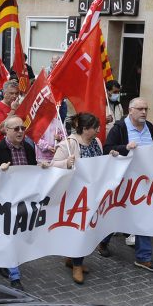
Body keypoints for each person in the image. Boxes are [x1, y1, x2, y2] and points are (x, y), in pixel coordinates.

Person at [104, 97, 153, 273]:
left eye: (146, 109)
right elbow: (107, 148)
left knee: (144, 215)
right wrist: (125, 147)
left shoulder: (149, 126)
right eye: (140, 109)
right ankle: (103, 241)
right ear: (130, 110)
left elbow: (152, 149)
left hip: (145, 182)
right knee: (118, 213)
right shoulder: (120, 127)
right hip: (124, 181)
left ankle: (144, 258)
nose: (144, 112)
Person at [52, 113, 117, 284]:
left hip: (93, 193)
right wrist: (66, 162)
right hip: (74, 195)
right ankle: (77, 265)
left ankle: (71, 258)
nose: (98, 131)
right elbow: (52, 164)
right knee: (79, 228)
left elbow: (100, 163)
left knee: (87, 228)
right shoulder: (69, 144)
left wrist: (111, 157)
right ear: (85, 129)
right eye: (95, 128)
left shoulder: (97, 142)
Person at [0, 115, 38, 291]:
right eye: (16, 129)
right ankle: (15, 277)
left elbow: (33, 171)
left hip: (23, 200)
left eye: (23, 128)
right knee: (10, 237)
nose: (21, 131)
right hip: (4, 204)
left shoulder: (28, 148)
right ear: (6, 131)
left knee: (15, 237)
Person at [0, 80, 20, 145]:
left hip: (18, 144)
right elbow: (3, 129)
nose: (14, 96)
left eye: (16, 93)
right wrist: (13, 110)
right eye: (11, 93)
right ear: (4, 94)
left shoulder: (20, 106)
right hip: (3, 145)